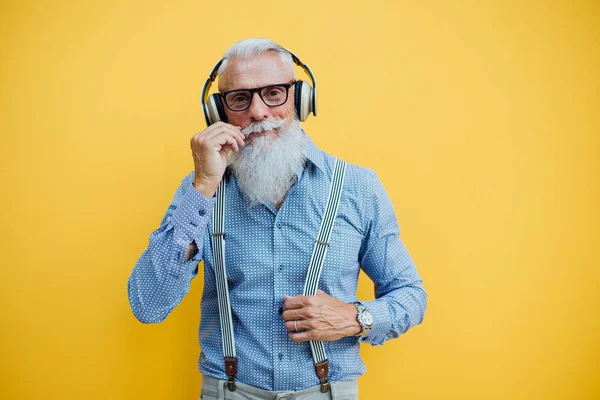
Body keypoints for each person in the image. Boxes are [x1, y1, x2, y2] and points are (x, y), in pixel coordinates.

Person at [127, 38, 427, 400]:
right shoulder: (200, 192)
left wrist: (354, 317)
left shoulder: (358, 187)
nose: (257, 112)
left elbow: (410, 295)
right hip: (229, 392)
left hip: (328, 392)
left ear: (300, 100)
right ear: (218, 112)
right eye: (239, 98)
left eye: (273, 93)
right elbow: (147, 304)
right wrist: (204, 185)